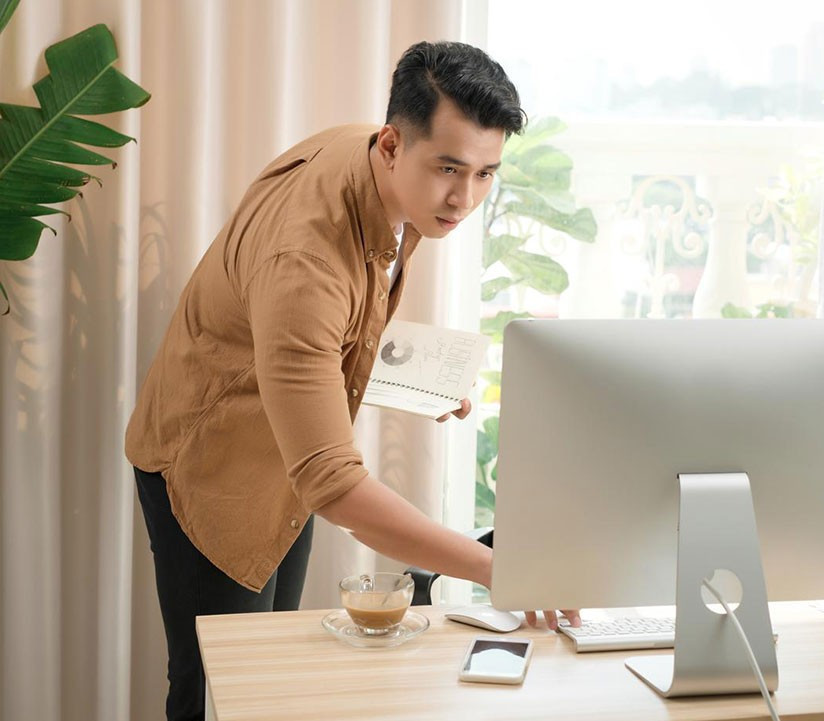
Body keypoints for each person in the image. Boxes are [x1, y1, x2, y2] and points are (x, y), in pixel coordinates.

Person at [125, 40, 580, 721]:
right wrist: (496, 565)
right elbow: (333, 483)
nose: (464, 198)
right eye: (450, 168)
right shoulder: (305, 257)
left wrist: (417, 377)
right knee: (218, 692)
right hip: (210, 464)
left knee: (272, 679)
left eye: (487, 173)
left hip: (286, 450)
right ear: (394, 144)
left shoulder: (379, 165)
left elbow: (328, 321)